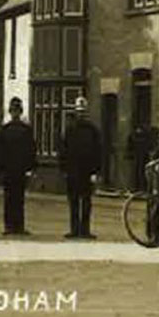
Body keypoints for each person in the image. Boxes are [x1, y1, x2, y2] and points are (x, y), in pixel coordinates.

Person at [58, 97, 101, 240]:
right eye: (79, 112)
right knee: (74, 202)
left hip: (87, 172)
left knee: (86, 202)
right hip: (73, 171)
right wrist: (63, 168)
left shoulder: (92, 130)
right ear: (76, 112)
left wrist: (95, 171)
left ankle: (85, 230)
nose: (81, 114)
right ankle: (75, 229)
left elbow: (98, 152)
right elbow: (63, 151)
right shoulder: (70, 130)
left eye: (83, 112)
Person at [0, 97, 36, 235]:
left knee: (11, 199)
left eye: (16, 111)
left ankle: (11, 226)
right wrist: (30, 168)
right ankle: (17, 226)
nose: (15, 113)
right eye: (15, 111)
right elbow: (31, 151)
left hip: (11, 170)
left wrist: (0, 168)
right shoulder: (26, 130)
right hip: (18, 170)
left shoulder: (5, 130)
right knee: (17, 199)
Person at [127, 124, 158, 192]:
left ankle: (139, 187)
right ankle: (139, 187)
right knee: (139, 172)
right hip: (140, 156)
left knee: (140, 172)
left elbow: (130, 146)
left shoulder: (134, 135)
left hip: (141, 156)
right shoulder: (144, 136)